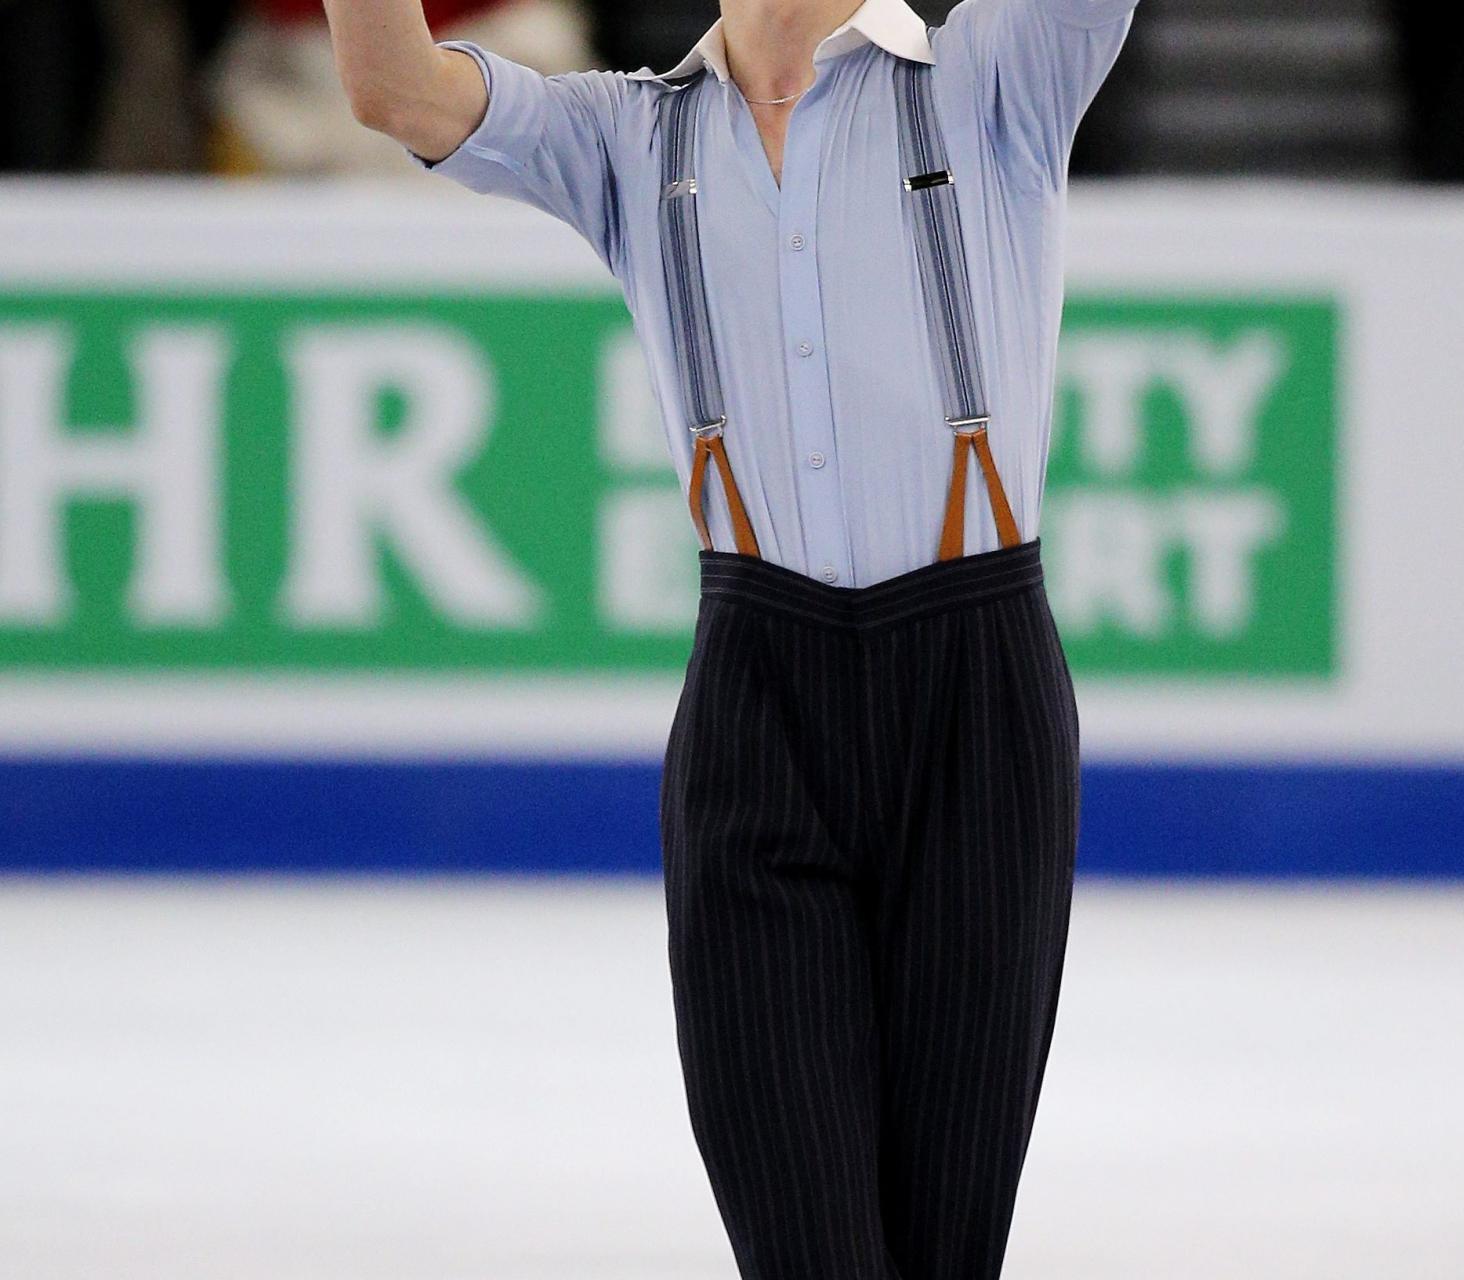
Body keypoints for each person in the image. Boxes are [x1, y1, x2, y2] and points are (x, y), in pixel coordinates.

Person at [323, 0, 1134, 1271]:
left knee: (940, 1247)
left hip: (978, 710)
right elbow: (393, 88)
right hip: (758, 714)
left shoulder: (992, 77)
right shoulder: (629, 136)